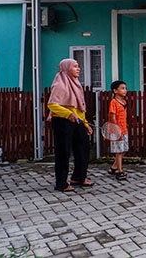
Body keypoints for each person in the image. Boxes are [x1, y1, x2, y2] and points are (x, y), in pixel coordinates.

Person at [47, 59, 94, 192]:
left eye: (78, 66)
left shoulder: (76, 84)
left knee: (83, 148)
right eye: (75, 67)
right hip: (62, 121)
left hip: (77, 121)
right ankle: (61, 183)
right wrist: (68, 114)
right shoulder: (60, 85)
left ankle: (79, 177)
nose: (78, 69)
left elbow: (80, 108)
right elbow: (52, 105)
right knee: (63, 152)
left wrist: (85, 124)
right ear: (67, 69)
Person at [108, 80, 129, 181]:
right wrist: (117, 130)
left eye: (125, 88)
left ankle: (113, 167)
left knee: (124, 149)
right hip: (116, 130)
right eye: (122, 88)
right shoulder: (114, 102)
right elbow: (113, 117)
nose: (125, 90)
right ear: (115, 90)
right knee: (119, 151)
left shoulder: (124, 102)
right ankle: (120, 171)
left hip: (124, 129)